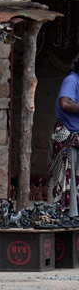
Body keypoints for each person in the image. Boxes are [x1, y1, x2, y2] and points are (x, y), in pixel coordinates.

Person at [50, 54, 79, 209]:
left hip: (75, 137)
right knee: (66, 183)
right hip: (67, 136)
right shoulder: (72, 80)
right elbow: (65, 103)